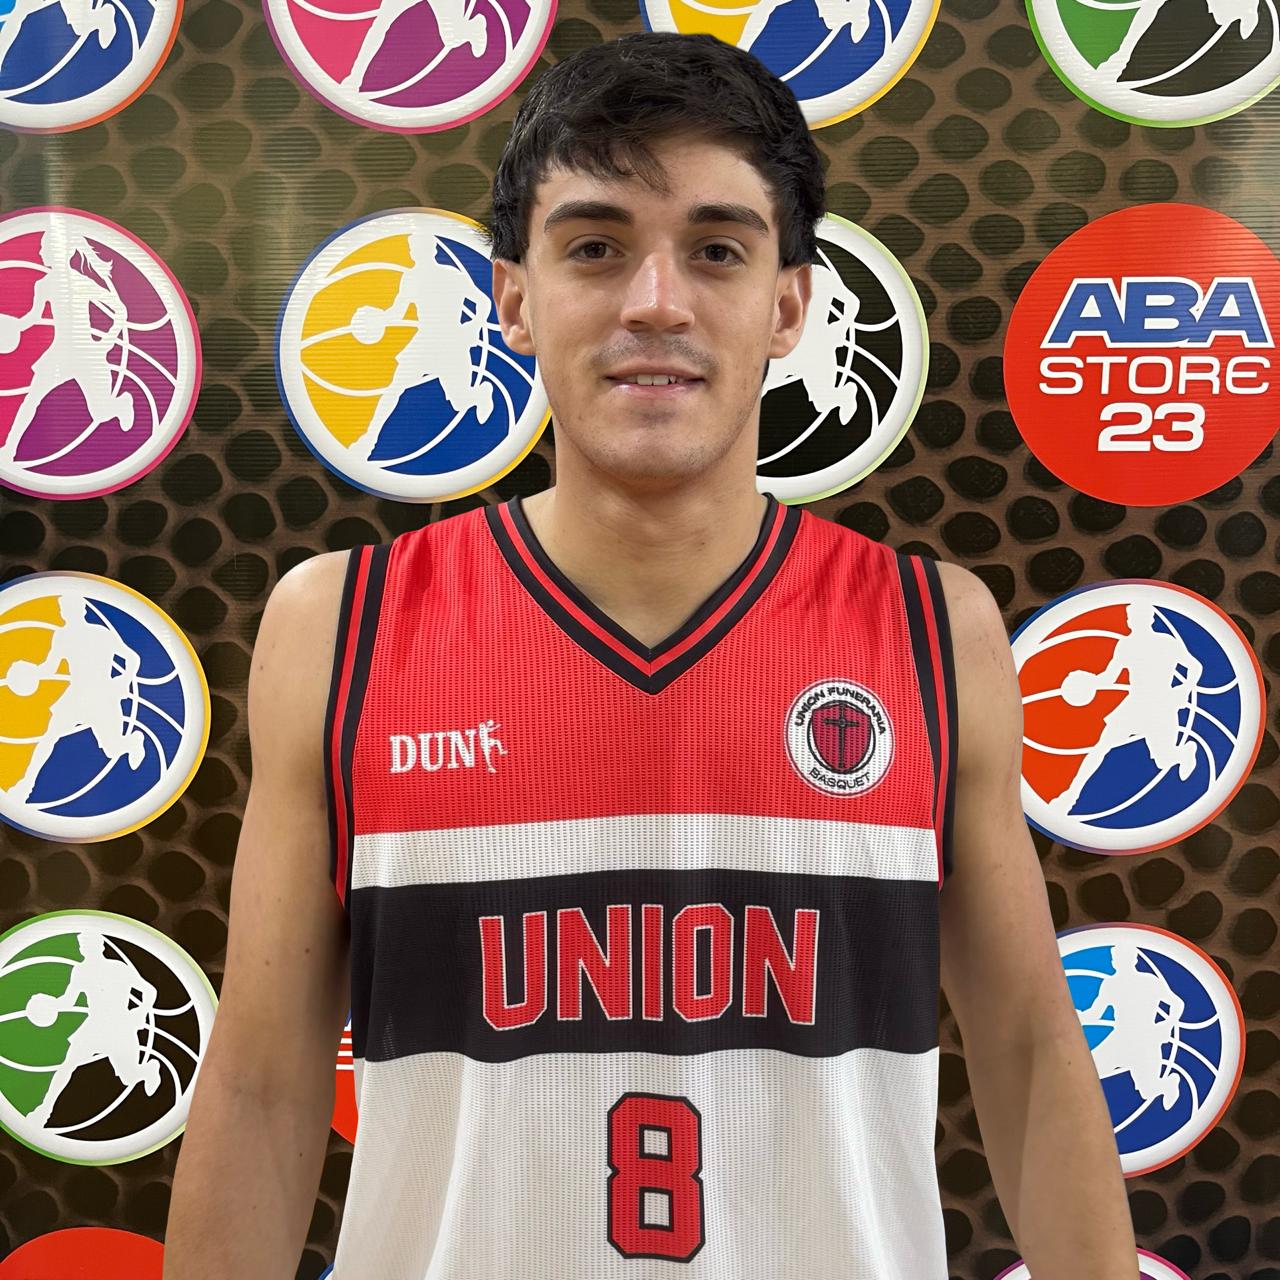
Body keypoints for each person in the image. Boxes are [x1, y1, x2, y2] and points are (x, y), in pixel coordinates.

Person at [164, 31, 1139, 1280]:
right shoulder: (340, 625)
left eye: (717, 249)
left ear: (787, 305)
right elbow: (259, 1083)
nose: (655, 303)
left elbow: (1026, 1053)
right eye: (595, 247)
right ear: (513, 297)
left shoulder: (930, 629)